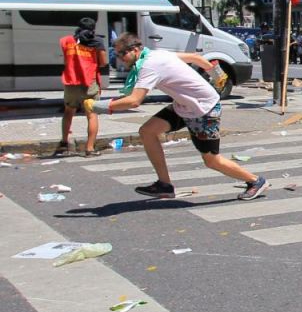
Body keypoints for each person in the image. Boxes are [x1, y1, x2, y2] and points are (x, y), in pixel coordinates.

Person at [94, 33, 268, 200]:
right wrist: (217, 74)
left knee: (212, 160)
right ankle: (165, 185)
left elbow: (134, 101)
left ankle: (256, 181)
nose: (120, 58)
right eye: (117, 54)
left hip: (204, 109)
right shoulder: (156, 54)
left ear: (135, 49)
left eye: (122, 53)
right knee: (147, 131)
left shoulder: (149, 65)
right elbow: (195, 58)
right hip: (184, 106)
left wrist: (99, 106)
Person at [57, 18, 108, 156]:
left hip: (71, 82)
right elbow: (103, 63)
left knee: (68, 112)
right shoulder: (96, 42)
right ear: (93, 29)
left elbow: (66, 60)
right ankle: (89, 148)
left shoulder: (66, 41)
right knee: (92, 115)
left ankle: (64, 143)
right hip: (89, 83)